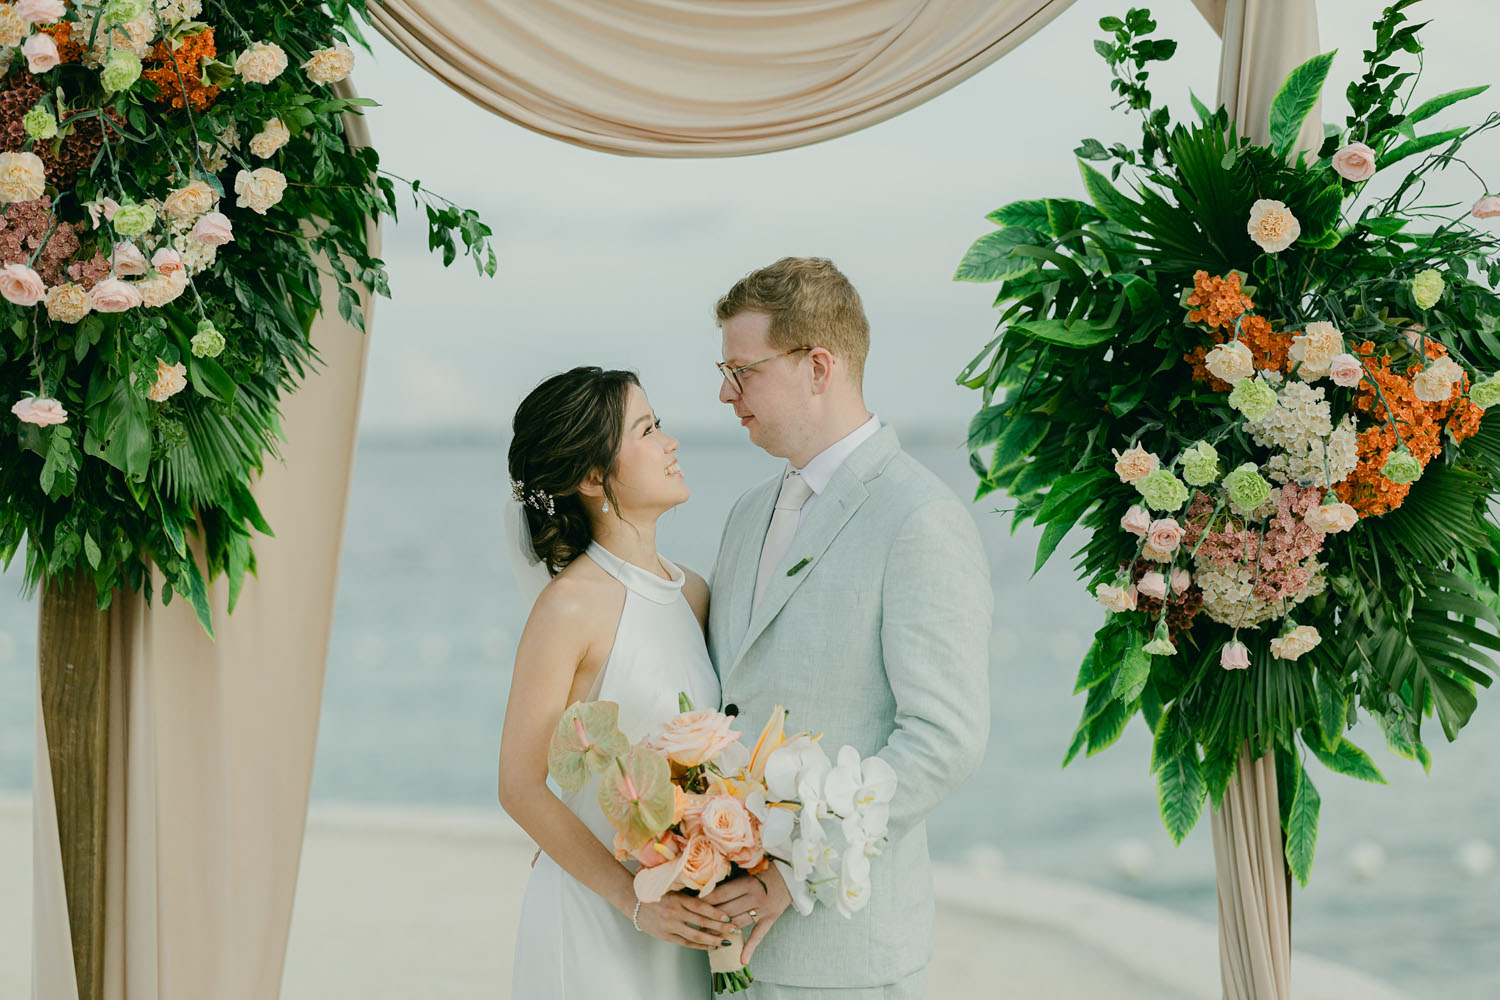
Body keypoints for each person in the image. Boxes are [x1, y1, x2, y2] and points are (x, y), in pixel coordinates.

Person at [701, 257, 994, 999]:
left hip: (844, 954)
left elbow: (943, 739)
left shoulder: (919, 520)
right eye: (724, 370)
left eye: (743, 370)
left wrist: (798, 869)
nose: (725, 393)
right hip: (722, 943)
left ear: (817, 365)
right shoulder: (744, 514)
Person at [499, 366, 729, 999]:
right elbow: (518, 786)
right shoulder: (569, 607)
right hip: (598, 918)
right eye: (647, 430)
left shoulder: (696, 594)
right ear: (593, 478)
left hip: (678, 919)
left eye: (660, 425)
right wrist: (633, 900)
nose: (670, 443)